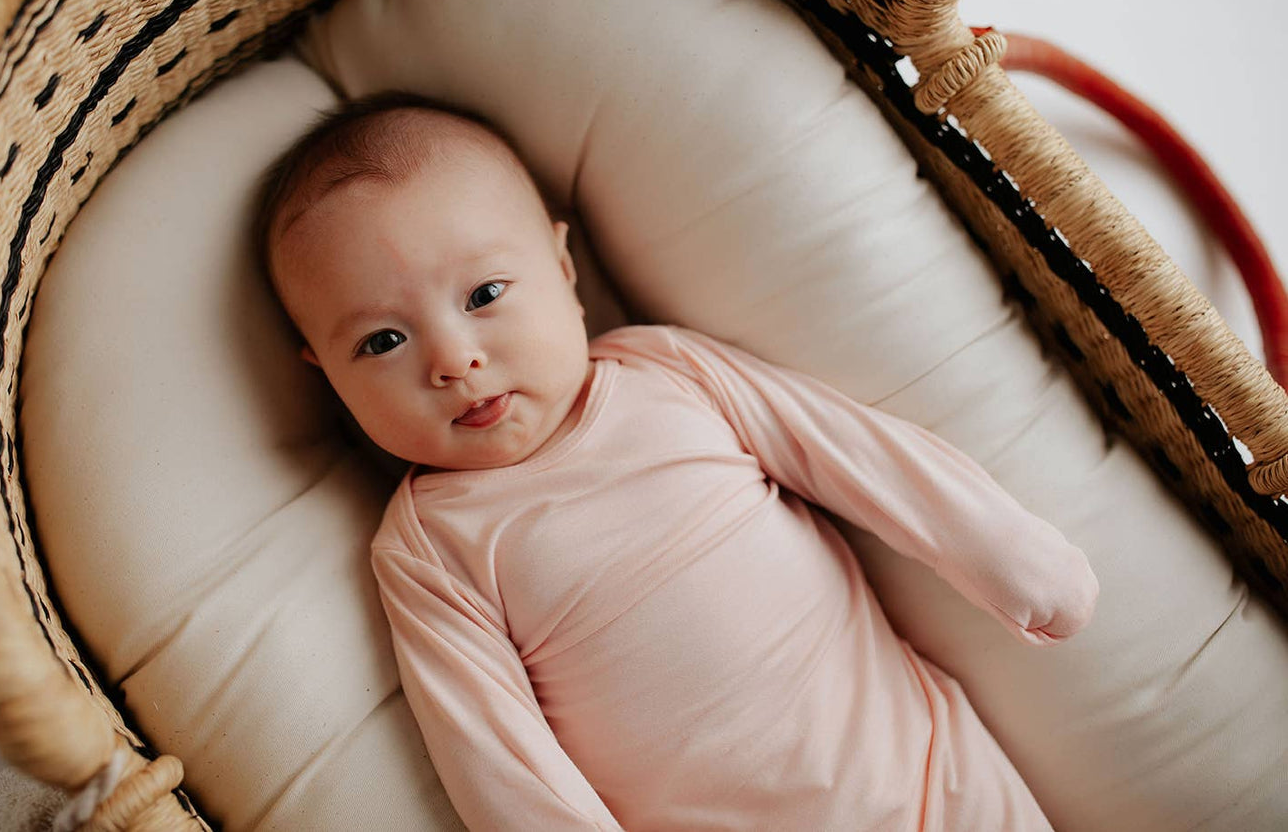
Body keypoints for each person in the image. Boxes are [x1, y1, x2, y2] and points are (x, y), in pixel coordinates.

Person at [255, 88, 1099, 831]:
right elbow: (492, 753)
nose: (451, 359)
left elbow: (850, 451)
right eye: (382, 341)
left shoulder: (668, 373)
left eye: (483, 296)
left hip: (929, 774)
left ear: (562, 269)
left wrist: (1003, 551)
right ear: (324, 374)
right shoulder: (432, 546)